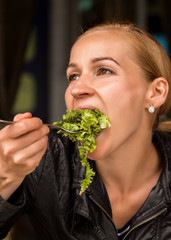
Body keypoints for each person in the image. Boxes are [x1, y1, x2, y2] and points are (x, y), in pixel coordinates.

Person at [0, 20, 171, 240]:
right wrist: (4, 178)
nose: (77, 89)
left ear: (155, 92)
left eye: (104, 70)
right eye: (73, 76)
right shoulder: (43, 159)